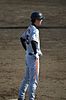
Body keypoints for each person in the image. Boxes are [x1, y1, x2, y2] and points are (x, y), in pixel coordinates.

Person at [18, 11, 45, 100]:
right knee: (33, 81)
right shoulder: (35, 30)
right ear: (36, 20)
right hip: (33, 58)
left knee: (26, 79)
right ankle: (31, 98)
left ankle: (21, 97)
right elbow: (34, 41)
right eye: (40, 19)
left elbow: (22, 38)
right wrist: (36, 53)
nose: (41, 21)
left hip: (28, 56)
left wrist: (27, 50)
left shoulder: (29, 28)